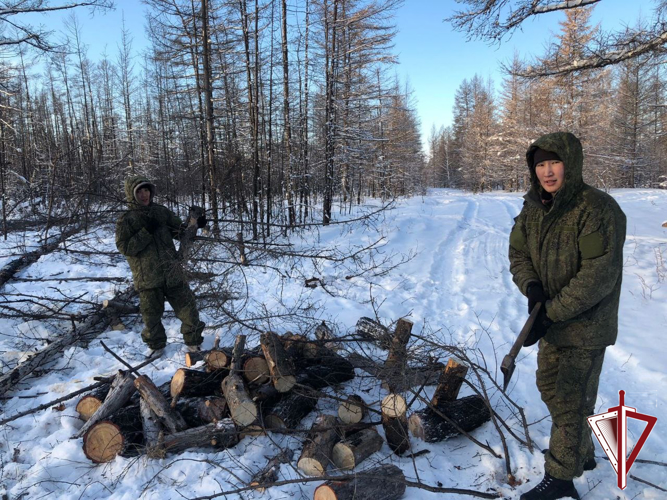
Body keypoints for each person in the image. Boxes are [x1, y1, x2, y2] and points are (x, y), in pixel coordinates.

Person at [508, 132, 626, 500]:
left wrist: (551, 313)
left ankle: (560, 480)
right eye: (540, 164)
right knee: (550, 389)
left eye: (554, 162)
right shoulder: (533, 207)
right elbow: (518, 253)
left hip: (587, 327)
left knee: (571, 400)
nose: (547, 171)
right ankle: (579, 452)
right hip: (553, 326)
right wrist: (531, 288)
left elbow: (598, 276)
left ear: (570, 164)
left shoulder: (598, 209)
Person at [116, 176, 207, 358]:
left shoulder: (161, 212)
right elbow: (125, 248)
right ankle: (156, 345)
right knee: (151, 316)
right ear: (132, 194)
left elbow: (179, 233)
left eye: (146, 190)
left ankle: (194, 342)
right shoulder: (127, 219)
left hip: (172, 271)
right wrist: (146, 231)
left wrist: (194, 224)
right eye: (139, 192)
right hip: (147, 277)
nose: (144, 195)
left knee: (188, 308)